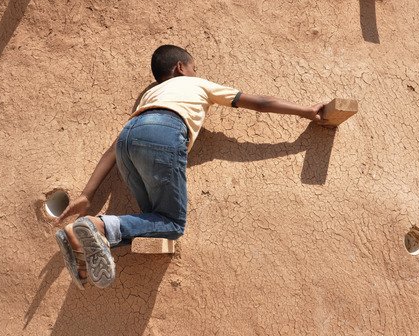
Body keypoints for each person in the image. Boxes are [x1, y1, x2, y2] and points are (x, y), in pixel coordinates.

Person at [54, 45, 327, 289]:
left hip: (128, 140)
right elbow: (260, 103)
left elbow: (112, 148)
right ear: (180, 68)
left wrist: (87, 194)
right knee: (172, 223)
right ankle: (96, 225)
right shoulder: (198, 84)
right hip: (164, 131)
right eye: (194, 67)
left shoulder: (150, 96)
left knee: (154, 220)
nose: (196, 71)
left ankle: (79, 241)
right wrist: (304, 110)